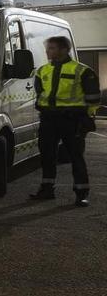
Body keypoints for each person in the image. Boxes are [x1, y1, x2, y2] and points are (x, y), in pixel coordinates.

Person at [30, 36, 101, 207]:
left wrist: (87, 118)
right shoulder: (42, 71)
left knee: (76, 157)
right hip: (49, 120)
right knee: (47, 156)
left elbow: (93, 99)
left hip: (73, 120)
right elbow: (40, 95)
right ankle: (47, 189)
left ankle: (81, 194)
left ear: (64, 50)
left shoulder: (83, 71)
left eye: (52, 48)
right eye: (48, 48)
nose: (48, 51)